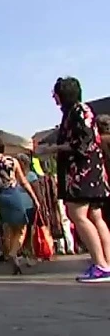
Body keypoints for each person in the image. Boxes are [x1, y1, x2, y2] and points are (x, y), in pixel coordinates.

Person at [37, 77, 110, 283]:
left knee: (78, 215)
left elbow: (81, 143)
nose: (54, 98)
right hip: (93, 171)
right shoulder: (84, 110)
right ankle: (106, 262)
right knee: (96, 216)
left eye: (56, 94)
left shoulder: (76, 113)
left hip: (81, 173)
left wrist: (52, 149)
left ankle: (100, 264)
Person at [0, 137, 41, 274]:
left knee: (8, 228)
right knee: (21, 227)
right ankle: (14, 252)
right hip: (13, 194)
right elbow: (24, 182)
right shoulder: (13, 161)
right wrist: (35, 198)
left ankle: (10, 252)